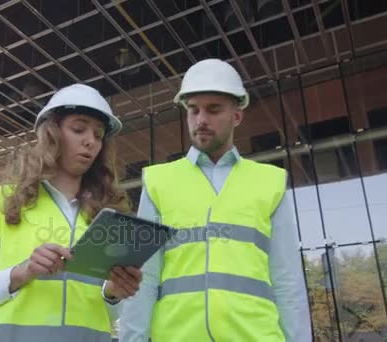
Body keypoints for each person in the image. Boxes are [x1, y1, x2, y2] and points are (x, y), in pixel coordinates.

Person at [118, 59, 312, 342]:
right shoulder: (159, 182)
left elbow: (288, 280)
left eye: (213, 109)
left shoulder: (270, 182)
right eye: (193, 110)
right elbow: (144, 279)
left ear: (237, 115)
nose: (201, 120)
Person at [0, 83, 143, 341]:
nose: (90, 141)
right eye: (78, 129)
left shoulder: (108, 214)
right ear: (52, 134)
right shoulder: (3, 202)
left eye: (99, 135)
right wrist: (23, 272)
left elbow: (109, 315)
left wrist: (112, 293)